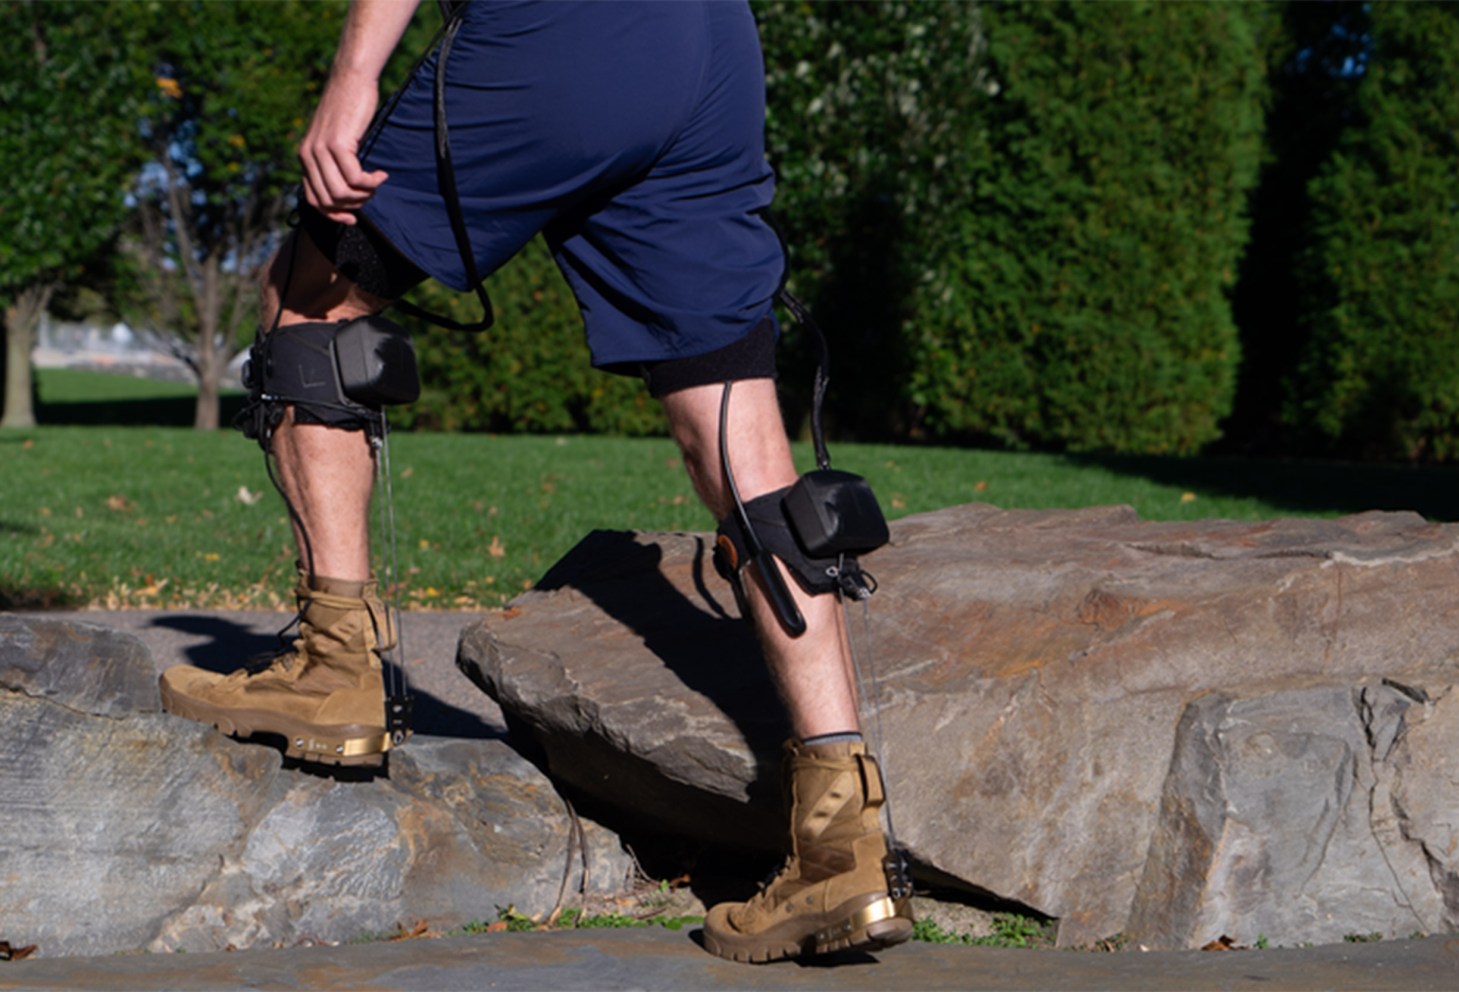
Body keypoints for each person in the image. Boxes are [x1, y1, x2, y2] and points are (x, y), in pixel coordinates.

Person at [158, 0, 911, 964]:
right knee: (732, 421)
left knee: (308, 302)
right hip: (712, 48)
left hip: (567, 32)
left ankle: (335, 665)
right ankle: (841, 838)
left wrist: (353, 76)